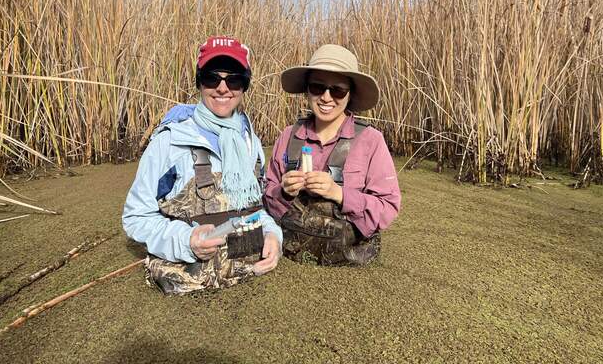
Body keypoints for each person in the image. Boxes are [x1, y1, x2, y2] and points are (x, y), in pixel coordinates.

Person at [123, 36, 282, 294]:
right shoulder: (169, 143)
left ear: (245, 85)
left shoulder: (250, 143)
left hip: (250, 278)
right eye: (212, 78)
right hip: (187, 291)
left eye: (234, 79)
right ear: (199, 81)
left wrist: (274, 235)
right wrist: (186, 241)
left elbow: (257, 211)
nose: (223, 88)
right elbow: (136, 218)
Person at [263, 44, 401, 266]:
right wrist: (283, 191)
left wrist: (338, 193)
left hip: (350, 270)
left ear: (350, 95)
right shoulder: (288, 136)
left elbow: (387, 208)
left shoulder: (371, 140)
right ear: (307, 90)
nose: (326, 97)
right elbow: (267, 197)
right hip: (288, 259)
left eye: (337, 90)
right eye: (318, 87)